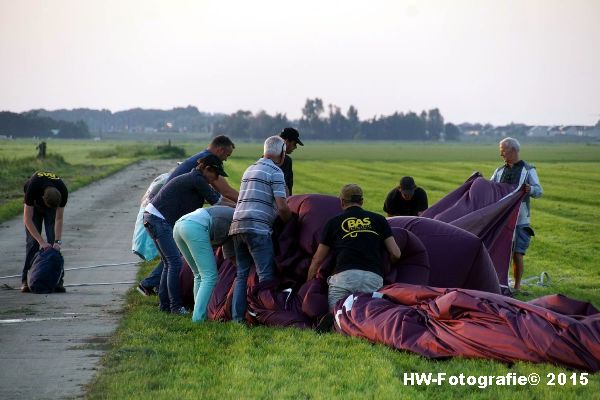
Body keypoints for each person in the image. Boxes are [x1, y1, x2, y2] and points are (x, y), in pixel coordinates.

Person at [137, 135, 238, 295]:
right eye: (227, 156)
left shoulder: (199, 164)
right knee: (176, 258)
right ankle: (163, 295)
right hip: (164, 215)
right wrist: (244, 204)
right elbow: (223, 193)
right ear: (219, 150)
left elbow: (212, 196)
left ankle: (156, 289)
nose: (225, 160)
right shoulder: (206, 166)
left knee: (173, 257)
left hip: (165, 212)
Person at [307, 184, 402, 331]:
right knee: (368, 320)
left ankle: (335, 320)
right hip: (373, 278)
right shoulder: (379, 220)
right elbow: (396, 253)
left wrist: (308, 282)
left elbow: (317, 259)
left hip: (344, 277)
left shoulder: (333, 222)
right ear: (362, 201)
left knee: (336, 320)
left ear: (342, 202)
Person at [228, 135, 292, 322]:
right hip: (258, 229)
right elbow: (282, 206)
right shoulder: (275, 172)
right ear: (282, 153)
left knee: (241, 274)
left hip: (237, 226)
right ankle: (266, 316)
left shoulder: (249, 169)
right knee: (266, 275)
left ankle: (237, 319)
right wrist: (290, 223)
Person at [491, 137, 543, 291]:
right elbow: (491, 188)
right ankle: (499, 283)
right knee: (499, 252)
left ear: (513, 150)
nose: (501, 155)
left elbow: (539, 191)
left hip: (520, 219)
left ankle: (517, 287)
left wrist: (530, 189)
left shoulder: (529, 170)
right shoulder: (499, 171)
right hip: (502, 218)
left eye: (503, 151)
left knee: (517, 253)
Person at [173, 206, 235, 322]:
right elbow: (223, 243)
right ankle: (198, 318)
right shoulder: (238, 220)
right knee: (210, 276)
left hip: (179, 225)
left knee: (198, 275)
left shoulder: (231, 215)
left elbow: (226, 247)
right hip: (194, 227)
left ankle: (198, 313)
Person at [21, 171, 68, 293]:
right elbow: (27, 219)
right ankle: (25, 280)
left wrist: (57, 241)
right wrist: (41, 242)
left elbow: (59, 218)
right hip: (34, 207)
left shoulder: (63, 191)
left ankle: (58, 280)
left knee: (53, 244)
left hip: (50, 203)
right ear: (42, 197)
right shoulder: (32, 187)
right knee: (33, 243)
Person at [168, 135, 238, 202]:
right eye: (227, 155)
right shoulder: (208, 160)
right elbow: (226, 192)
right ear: (220, 150)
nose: (226, 159)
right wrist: (247, 202)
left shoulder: (203, 155)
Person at [278, 127, 304, 195]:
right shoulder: (286, 160)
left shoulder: (264, 157)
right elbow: (285, 188)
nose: (295, 147)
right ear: (286, 142)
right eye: (294, 144)